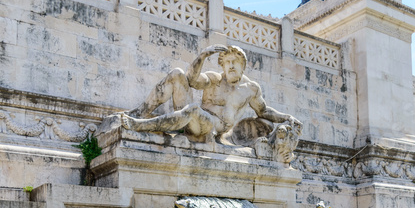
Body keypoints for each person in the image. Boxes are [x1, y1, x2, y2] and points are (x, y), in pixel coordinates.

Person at [122, 44, 302, 144]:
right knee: (177, 74)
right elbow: (192, 80)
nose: (231, 66)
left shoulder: (250, 89)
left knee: (193, 110)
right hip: (194, 120)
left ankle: (140, 126)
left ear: (243, 65)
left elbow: (263, 111)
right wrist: (202, 56)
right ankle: (138, 114)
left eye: (235, 62)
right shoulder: (215, 79)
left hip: (214, 126)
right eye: (227, 62)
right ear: (222, 65)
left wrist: (287, 117)